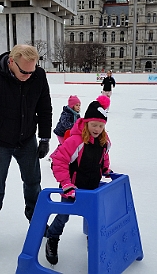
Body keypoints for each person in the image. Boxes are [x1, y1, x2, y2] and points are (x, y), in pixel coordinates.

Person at [0, 44, 52, 255]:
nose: (28, 75)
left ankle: (36, 219)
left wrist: (44, 137)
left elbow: (45, 108)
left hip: (27, 139)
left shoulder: (38, 75)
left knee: (34, 183)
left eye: (32, 71)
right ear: (11, 62)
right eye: (24, 71)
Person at [45, 95, 113, 265]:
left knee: (93, 217)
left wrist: (106, 169)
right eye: (94, 125)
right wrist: (66, 184)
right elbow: (58, 160)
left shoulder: (103, 141)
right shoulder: (76, 140)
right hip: (72, 188)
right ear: (86, 122)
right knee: (63, 216)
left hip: (91, 188)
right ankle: (52, 238)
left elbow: (103, 156)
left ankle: (94, 244)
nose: (97, 129)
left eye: (101, 125)